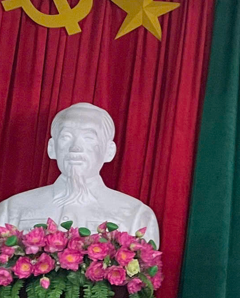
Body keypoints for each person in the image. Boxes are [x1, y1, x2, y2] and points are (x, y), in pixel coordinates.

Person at [0, 102, 160, 243]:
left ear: (109, 151)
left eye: (89, 138)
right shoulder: (11, 210)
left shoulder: (135, 215)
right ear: (52, 148)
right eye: (66, 137)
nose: (75, 147)